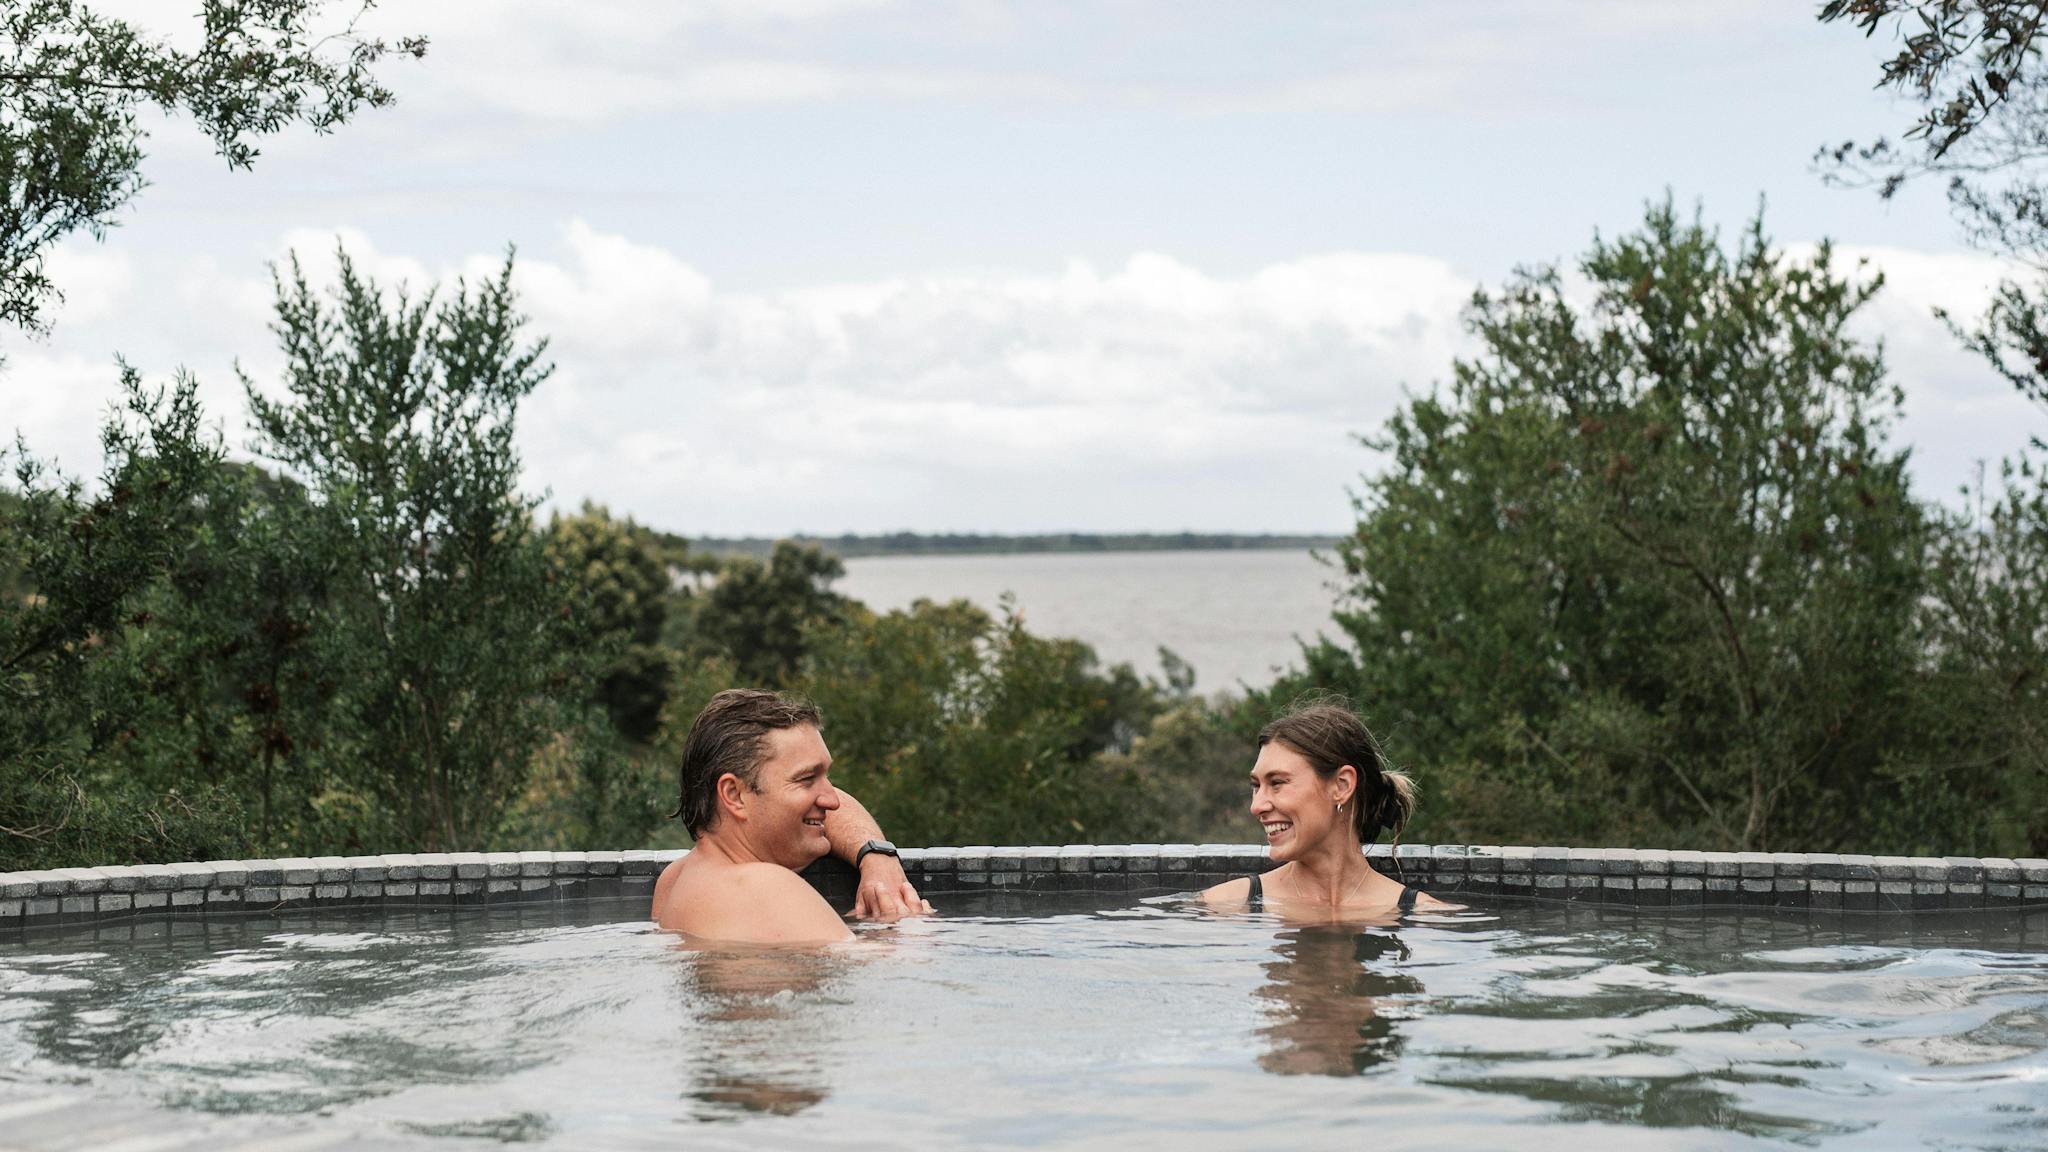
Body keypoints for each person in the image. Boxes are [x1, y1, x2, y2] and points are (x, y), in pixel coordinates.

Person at [652, 688, 932, 943]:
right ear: (734, 795)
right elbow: (887, 983)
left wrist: (876, 857)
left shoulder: (674, 881)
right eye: (806, 779)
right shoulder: (767, 889)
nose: (832, 800)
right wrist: (912, 929)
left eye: (826, 776)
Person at [1201, 698, 1449, 916]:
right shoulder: (1222, 907)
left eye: (1277, 783)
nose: (1257, 806)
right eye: (1256, 785)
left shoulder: (1427, 917)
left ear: (1341, 786)